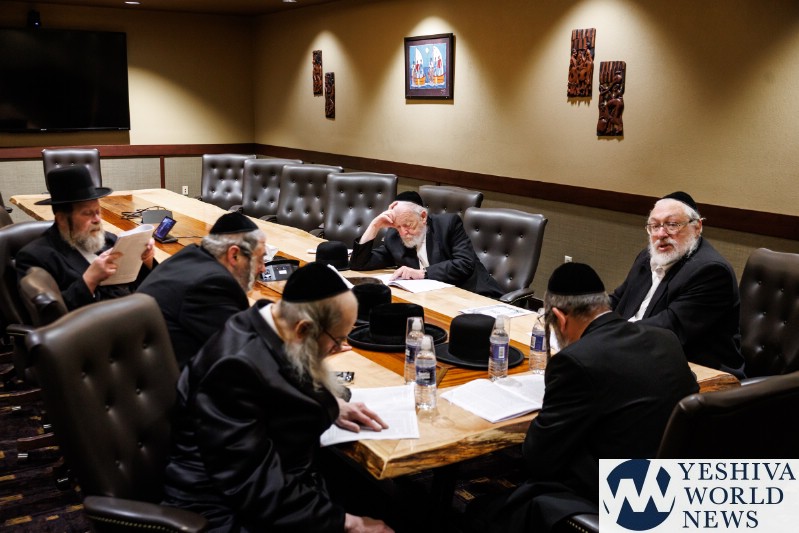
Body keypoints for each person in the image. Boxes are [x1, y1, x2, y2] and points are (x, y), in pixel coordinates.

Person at [162, 262, 393, 533]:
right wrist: (347, 523)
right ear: (303, 330)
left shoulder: (271, 324)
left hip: (276, 481)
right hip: (223, 510)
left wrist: (336, 406)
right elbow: (253, 484)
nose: (339, 348)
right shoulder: (234, 368)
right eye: (337, 340)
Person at [471, 262, 698, 532]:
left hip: (622, 496)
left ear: (560, 318)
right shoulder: (666, 339)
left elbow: (539, 459)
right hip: (677, 485)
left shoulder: (575, 361)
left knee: (482, 511)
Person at [610, 191, 745, 377]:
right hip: (644, 355)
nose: (661, 234)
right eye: (654, 226)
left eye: (672, 225)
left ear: (697, 227)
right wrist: (584, 315)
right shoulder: (647, 257)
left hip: (700, 374)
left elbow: (669, 328)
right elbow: (618, 299)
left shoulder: (711, 271)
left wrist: (609, 334)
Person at [137, 211, 266, 369]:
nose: (263, 269)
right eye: (260, 259)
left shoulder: (189, 256)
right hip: (166, 379)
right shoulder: (212, 285)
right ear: (234, 255)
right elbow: (245, 352)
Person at [16, 166, 155, 310]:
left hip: (136, 311)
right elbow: (52, 313)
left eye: (98, 211)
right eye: (88, 213)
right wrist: (90, 279)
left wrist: (146, 260)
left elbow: (144, 286)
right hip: (96, 321)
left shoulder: (109, 240)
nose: (97, 220)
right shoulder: (35, 257)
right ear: (62, 219)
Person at [349, 190, 503, 298]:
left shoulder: (447, 224)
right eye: (397, 227)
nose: (403, 232)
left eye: (408, 225)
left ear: (423, 217)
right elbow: (359, 264)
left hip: (474, 294)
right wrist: (374, 226)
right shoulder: (394, 237)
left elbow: (464, 263)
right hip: (435, 298)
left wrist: (423, 273)